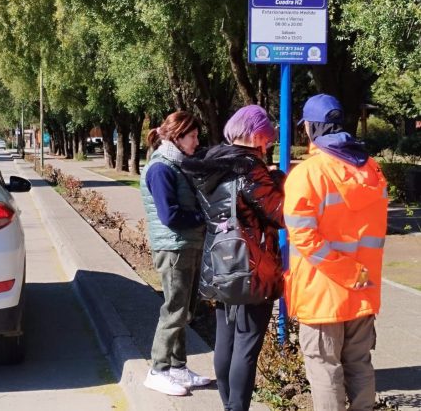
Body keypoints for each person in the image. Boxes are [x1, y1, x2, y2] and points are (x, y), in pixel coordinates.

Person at [284, 94, 388, 411]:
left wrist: (345, 273)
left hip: (323, 293)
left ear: (312, 128)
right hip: (363, 289)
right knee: (360, 365)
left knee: (324, 368)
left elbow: (302, 235)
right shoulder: (373, 171)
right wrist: (356, 275)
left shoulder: (308, 173)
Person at [183, 105, 284, 411]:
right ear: (256, 136)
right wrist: (278, 181)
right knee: (247, 345)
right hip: (252, 266)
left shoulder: (211, 164)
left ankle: (228, 404)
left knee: (225, 339)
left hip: (219, 263)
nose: (268, 143)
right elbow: (279, 213)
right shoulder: (249, 168)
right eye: (267, 137)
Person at [139, 111, 211, 396]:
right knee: (174, 310)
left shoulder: (178, 164)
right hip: (173, 248)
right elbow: (169, 215)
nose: (196, 141)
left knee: (186, 311)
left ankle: (178, 368)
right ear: (177, 137)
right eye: (192, 136)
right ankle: (157, 370)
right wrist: (203, 218)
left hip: (186, 245)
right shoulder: (161, 168)